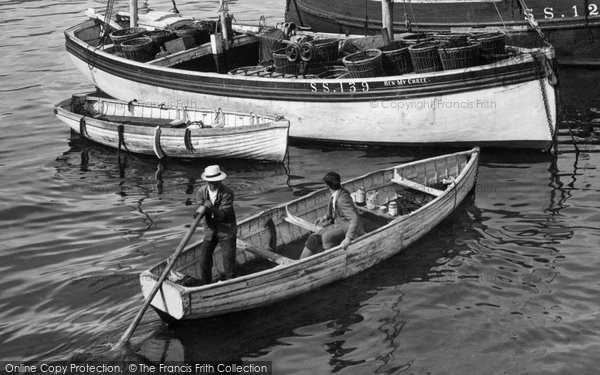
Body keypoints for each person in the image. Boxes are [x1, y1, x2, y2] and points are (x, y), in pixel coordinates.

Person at [300, 172, 365, 258]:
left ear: (327, 186)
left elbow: (354, 219)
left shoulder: (342, 199)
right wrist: (324, 218)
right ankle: (300, 262)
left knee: (326, 237)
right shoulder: (337, 194)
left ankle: (333, 259)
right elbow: (334, 208)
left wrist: (348, 239)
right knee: (313, 238)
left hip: (347, 226)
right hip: (338, 224)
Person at [195, 165, 237, 284]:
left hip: (227, 230)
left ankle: (231, 284)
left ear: (220, 180)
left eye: (216, 181)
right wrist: (198, 212)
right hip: (210, 230)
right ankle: (206, 284)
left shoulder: (227, 193)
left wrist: (210, 207)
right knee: (204, 261)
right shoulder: (201, 191)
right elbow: (199, 208)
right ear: (208, 181)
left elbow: (223, 215)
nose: (214, 184)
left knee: (229, 262)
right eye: (211, 182)